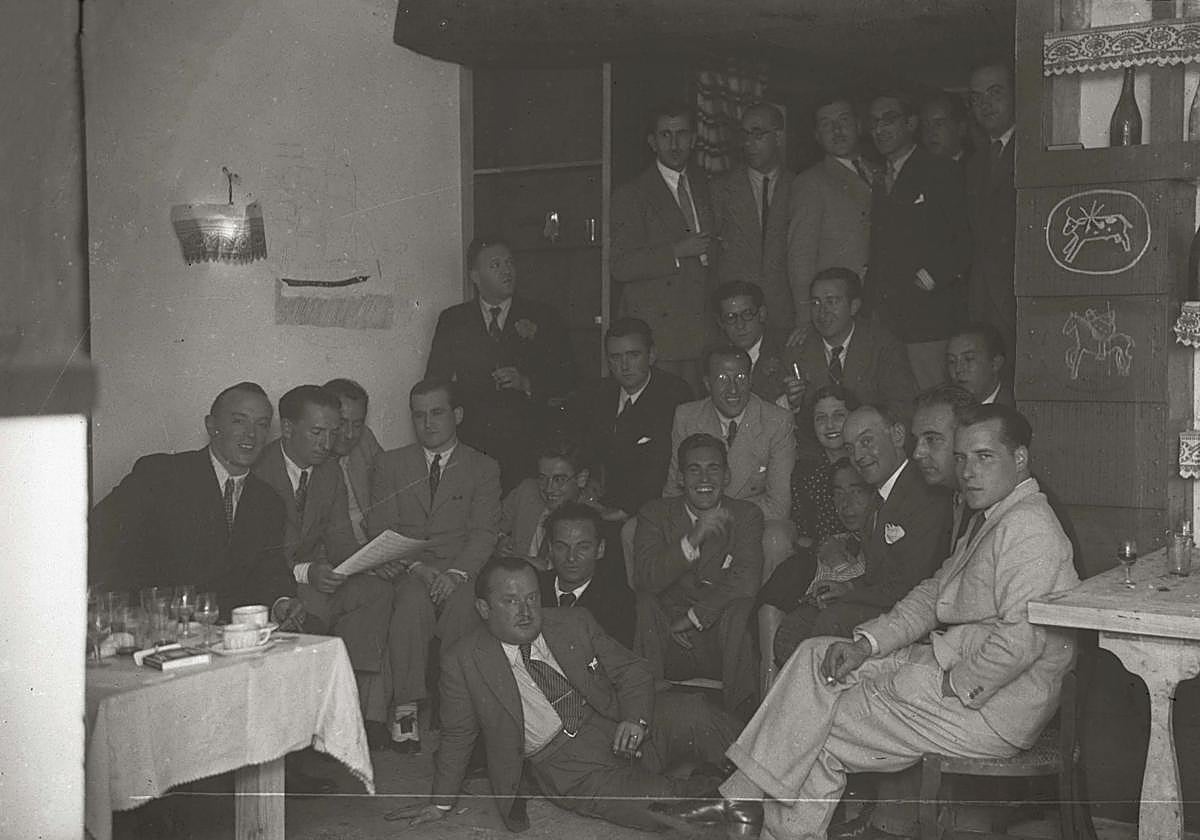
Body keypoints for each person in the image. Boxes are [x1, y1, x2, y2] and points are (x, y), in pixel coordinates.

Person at [662, 405, 1080, 840]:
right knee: (815, 655)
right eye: (962, 458)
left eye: (984, 457)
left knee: (818, 723)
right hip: (953, 669)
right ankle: (745, 799)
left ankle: (754, 816)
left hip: (990, 706)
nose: (969, 471)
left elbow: (1020, 643)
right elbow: (931, 595)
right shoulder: (994, 516)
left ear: (1020, 459)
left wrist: (953, 685)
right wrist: (865, 645)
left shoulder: (1028, 528)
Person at [390, 555, 742, 832]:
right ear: (484, 608)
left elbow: (632, 669)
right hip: (568, 765)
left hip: (616, 719)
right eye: (510, 601)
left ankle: (765, 775)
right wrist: (439, 803)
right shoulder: (463, 660)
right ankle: (733, 799)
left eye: (531, 598)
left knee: (697, 712)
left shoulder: (574, 621)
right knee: (666, 807)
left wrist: (636, 718)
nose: (526, 611)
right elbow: (457, 735)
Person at [367, 378, 502, 753]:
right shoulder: (391, 463)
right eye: (419, 415)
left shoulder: (483, 467)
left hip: (460, 569)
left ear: (457, 415)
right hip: (411, 568)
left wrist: (457, 574)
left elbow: (483, 532)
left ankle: (453, 708)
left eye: (438, 413)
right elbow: (382, 528)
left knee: (463, 608)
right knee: (410, 606)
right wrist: (418, 569)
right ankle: (406, 709)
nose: (428, 423)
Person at [252, 385, 393, 737]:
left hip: (312, 575)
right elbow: (260, 557)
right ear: (286, 429)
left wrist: (374, 559)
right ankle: (307, 728)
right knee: (312, 610)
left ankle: (350, 710)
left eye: (333, 432)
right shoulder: (259, 470)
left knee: (376, 592)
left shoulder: (329, 471)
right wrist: (308, 572)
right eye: (317, 432)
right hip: (272, 582)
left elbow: (341, 540)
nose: (328, 443)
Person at [89, 382, 296, 617]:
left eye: (262, 424)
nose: (251, 434)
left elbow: (271, 569)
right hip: (158, 626)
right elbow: (99, 536)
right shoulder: (161, 475)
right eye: (239, 421)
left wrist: (281, 601)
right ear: (212, 426)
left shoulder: (268, 501)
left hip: (229, 633)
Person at [425, 236, 575, 491]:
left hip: (528, 445)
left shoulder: (543, 316)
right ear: (475, 275)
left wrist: (526, 383)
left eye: (509, 263)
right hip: (473, 443)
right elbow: (435, 381)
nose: (507, 271)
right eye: (495, 265)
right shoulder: (454, 320)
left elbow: (569, 378)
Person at [635, 433, 764, 713]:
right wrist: (693, 538)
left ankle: (739, 717)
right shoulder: (655, 513)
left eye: (713, 468)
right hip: (668, 637)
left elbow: (746, 578)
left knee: (741, 606)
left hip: (719, 637)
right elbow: (646, 577)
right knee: (644, 600)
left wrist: (694, 617)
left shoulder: (746, 515)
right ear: (680, 478)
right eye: (694, 469)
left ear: (727, 475)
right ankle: (646, 709)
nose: (704, 479)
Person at [864, 91, 970, 390]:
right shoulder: (879, 177)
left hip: (928, 319)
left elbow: (964, 240)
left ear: (911, 124)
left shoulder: (940, 170)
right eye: (873, 123)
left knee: (933, 397)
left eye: (889, 120)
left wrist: (931, 276)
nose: (880, 129)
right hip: (887, 321)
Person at [664, 345, 796, 582]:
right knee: (635, 530)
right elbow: (674, 489)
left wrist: (717, 515)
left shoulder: (777, 421)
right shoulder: (686, 417)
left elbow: (778, 506)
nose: (733, 388)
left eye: (741, 377)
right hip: (698, 520)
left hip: (752, 524)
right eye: (723, 378)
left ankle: (763, 613)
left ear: (751, 379)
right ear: (707, 383)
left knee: (778, 537)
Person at [611, 102, 715, 389]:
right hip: (662, 335)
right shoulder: (631, 194)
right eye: (665, 135)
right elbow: (620, 264)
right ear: (652, 142)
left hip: (703, 330)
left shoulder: (707, 187)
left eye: (681, 134)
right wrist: (676, 251)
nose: (674, 143)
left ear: (694, 139)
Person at [566, 317, 693, 522]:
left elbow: (662, 465)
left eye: (633, 355)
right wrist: (590, 477)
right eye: (615, 357)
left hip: (649, 506)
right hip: (601, 500)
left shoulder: (674, 395)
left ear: (651, 355)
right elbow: (583, 446)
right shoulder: (597, 393)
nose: (624, 366)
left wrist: (625, 510)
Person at [782, 267, 917, 456]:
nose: (822, 312)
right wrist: (793, 403)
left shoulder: (883, 346)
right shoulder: (798, 348)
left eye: (832, 301)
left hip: (872, 451)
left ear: (854, 306)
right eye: (815, 303)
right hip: (820, 456)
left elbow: (903, 409)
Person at [764, 459, 876, 666]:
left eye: (856, 491)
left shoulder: (885, 538)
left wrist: (842, 572)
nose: (846, 503)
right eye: (838, 493)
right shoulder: (835, 543)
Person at [787, 95, 876, 344]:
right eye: (826, 124)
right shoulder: (810, 182)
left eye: (844, 120)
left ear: (859, 125)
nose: (836, 130)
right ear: (816, 135)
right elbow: (800, 257)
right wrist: (807, 317)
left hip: (880, 302)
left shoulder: (878, 171)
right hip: (838, 308)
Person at [711, 102, 795, 331]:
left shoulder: (800, 187)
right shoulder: (719, 189)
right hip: (735, 319)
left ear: (778, 137)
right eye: (744, 135)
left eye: (757, 134)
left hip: (785, 316)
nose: (748, 143)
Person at [965, 63, 1017, 370]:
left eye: (995, 93)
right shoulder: (976, 162)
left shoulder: (1034, 150)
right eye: (976, 97)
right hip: (982, 297)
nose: (985, 104)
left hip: (1016, 293)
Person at [538, 502, 636, 649]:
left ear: (600, 549)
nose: (571, 557)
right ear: (550, 549)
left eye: (583, 547)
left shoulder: (618, 601)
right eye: (561, 547)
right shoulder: (534, 587)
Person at [498, 437, 593, 569]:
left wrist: (518, 559)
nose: (548, 488)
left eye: (559, 479)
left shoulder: (590, 518)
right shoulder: (527, 491)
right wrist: (500, 540)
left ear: (581, 479)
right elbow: (490, 525)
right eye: (542, 478)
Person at [790, 383, 859, 546]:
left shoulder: (866, 465)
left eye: (838, 416)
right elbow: (803, 534)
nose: (829, 425)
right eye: (821, 418)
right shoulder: (804, 474)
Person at [323, 377, 383, 545]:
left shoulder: (365, 439)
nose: (350, 434)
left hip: (373, 547)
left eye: (357, 425)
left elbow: (389, 488)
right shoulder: (310, 455)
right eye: (342, 423)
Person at [713, 279, 790, 404]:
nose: (740, 325)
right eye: (731, 317)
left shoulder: (786, 349)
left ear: (762, 314)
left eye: (747, 314)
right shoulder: (715, 359)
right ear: (721, 323)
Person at [946, 323, 1012, 405]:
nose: (958, 369)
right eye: (951, 361)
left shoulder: (1016, 408)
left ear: (996, 363)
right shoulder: (945, 410)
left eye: (968, 359)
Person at [920, 92, 970, 164]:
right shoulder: (916, 169)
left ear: (961, 128)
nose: (930, 132)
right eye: (925, 125)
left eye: (939, 124)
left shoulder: (977, 168)